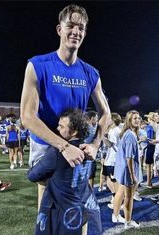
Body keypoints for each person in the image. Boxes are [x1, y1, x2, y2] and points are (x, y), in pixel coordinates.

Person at [20, 4, 110, 207]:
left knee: (76, 208)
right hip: (46, 147)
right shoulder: (38, 65)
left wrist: (95, 143)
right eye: (71, 25)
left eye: (81, 28)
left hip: (78, 148)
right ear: (59, 29)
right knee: (48, 209)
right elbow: (27, 116)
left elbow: (106, 113)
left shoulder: (91, 73)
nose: (76, 32)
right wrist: (62, 146)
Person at [27, 109, 102, 235]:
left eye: (61, 126)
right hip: (82, 206)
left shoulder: (58, 151)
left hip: (63, 213)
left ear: (74, 132)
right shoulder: (89, 149)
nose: (57, 128)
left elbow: (32, 175)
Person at [113, 110, 141, 230]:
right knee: (129, 197)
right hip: (128, 171)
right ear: (129, 121)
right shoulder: (130, 135)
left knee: (120, 192)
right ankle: (128, 222)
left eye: (138, 118)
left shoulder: (127, 133)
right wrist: (133, 175)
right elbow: (129, 158)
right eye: (134, 118)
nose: (138, 120)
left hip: (122, 169)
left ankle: (115, 215)